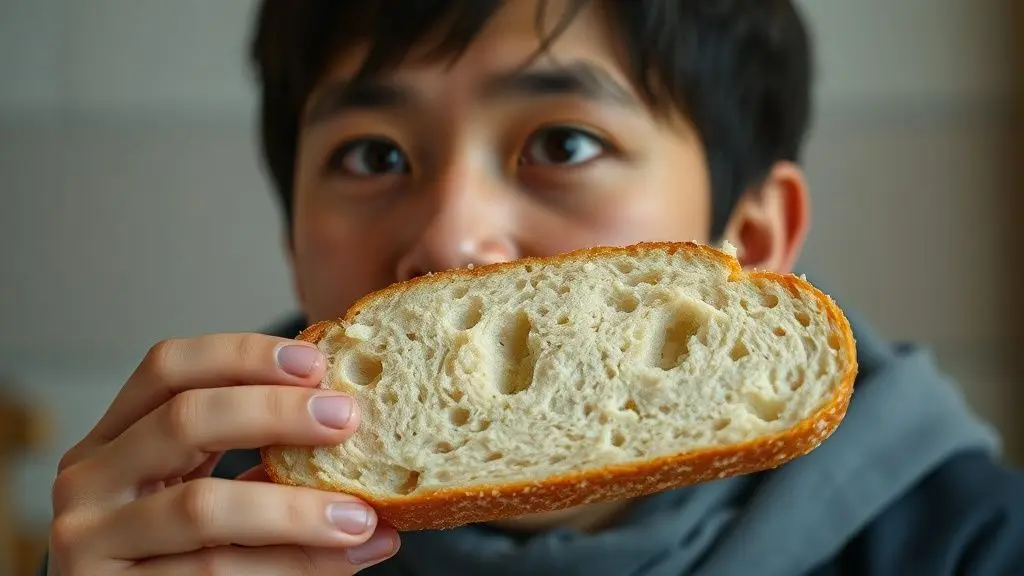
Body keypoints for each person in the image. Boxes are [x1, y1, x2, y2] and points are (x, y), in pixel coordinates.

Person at [39, 1, 1024, 574]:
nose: (450, 238)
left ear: (754, 239)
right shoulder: (184, 542)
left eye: (564, 143)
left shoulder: (973, 545)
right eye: (372, 154)